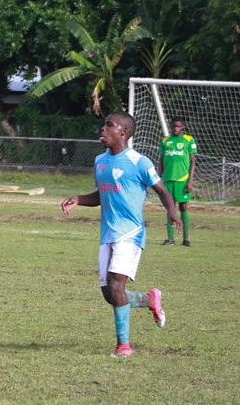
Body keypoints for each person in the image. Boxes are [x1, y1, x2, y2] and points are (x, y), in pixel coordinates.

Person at [60, 111, 180, 357]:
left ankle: (123, 346)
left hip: (131, 233)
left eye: (108, 126)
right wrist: (79, 199)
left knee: (116, 284)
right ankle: (149, 300)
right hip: (108, 234)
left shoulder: (139, 162)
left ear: (122, 132)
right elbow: (101, 195)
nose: (102, 130)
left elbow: (162, 189)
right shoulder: (100, 161)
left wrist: (171, 210)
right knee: (110, 295)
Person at [157, 117, 197, 246]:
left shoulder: (188, 140)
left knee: (183, 207)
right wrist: (158, 178)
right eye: (174, 126)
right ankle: (170, 239)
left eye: (178, 126)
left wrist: (190, 181)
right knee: (170, 208)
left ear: (183, 127)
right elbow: (161, 161)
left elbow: (193, 162)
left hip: (183, 180)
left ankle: (186, 239)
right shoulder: (165, 141)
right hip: (168, 180)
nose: (175, 128)